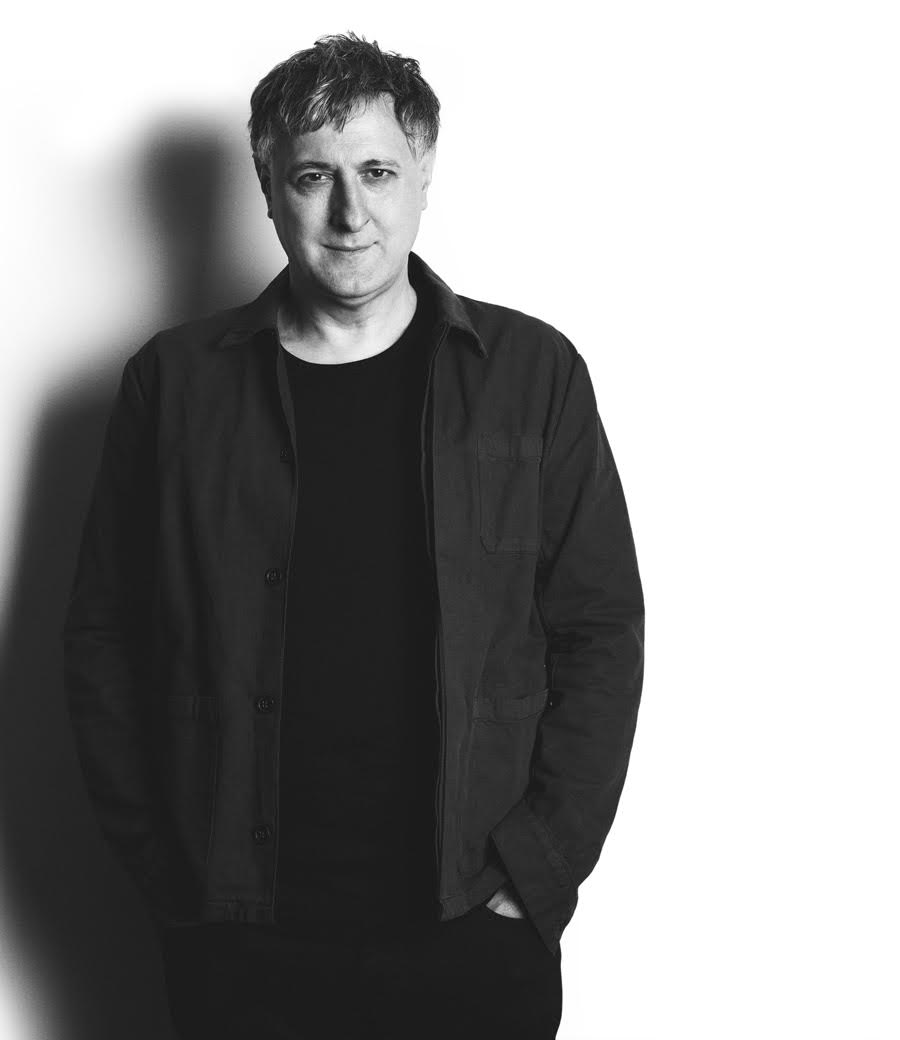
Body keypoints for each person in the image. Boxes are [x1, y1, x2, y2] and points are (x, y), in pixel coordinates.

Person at [62, 31, 645, 1040]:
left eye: (376, 171)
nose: (350, 211)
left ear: (423, 170)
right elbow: (102, 637)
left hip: (471, 928)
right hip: (241, 940)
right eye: (312, 176)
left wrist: (536, 870)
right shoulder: (174, 384)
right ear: (267, 188)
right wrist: (168, 875)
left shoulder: (531, 375)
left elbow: (599, 631)